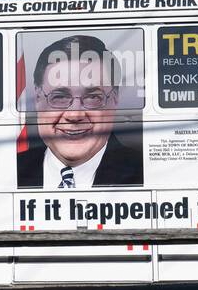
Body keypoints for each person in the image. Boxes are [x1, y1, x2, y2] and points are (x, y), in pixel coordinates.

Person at [17, 34, 142, 188]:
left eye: (92, 97)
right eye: (60, 97)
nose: (74, 115)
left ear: (114, 99)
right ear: (37, 99)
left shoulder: (147, 172)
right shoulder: (9, 171)